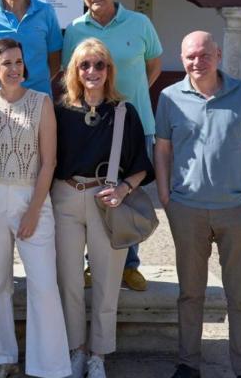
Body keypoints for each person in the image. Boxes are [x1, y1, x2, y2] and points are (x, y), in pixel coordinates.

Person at [154, 31, 241, 378]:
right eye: (190, 56)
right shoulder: (169, 98)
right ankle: (188, 364)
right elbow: (162, 149)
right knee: (190, 293)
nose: (197, 62)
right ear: (182, 57)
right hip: (186, 209)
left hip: (237, 210)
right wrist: (165, 196)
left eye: (204, 55)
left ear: (217, 55)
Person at [52, 38, 154, 378]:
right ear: (75, 71)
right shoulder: (60, 110)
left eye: (99, 65)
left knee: (107, 284)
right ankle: (75, 350)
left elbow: (141, 165)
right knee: (68, 280)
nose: (92, 71)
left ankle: (98, 354)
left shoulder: (124, 112)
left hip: (106, 200)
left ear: (109, 70)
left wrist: (123, 189)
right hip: (64, 197)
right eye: (85, 65)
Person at [0, 38, 70, 378]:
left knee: (42, 283)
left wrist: (32, 211)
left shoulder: (41, 102)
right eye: (5, 63)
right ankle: (3, 356)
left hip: (32, 198)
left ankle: (49, 365)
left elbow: (49, 162)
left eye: (17, 62)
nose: (13, 69)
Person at [61, 0, 163, 292]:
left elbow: (154, 65)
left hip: (134, 123)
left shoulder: (140, 23)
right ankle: (96, 264)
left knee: (127, 193)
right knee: (95, 192)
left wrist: (123, 103)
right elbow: (71, 74)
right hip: (94, 126)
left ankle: (128, 263)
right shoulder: (76, 29)